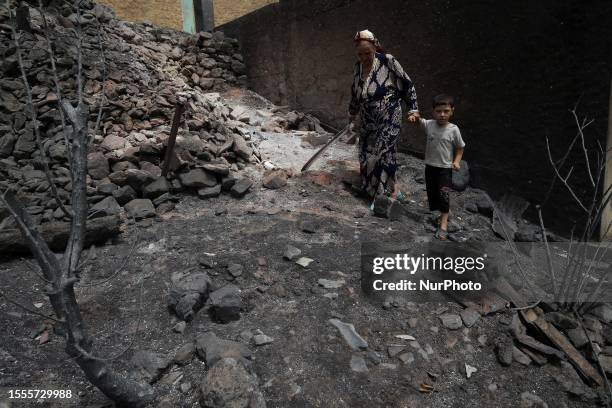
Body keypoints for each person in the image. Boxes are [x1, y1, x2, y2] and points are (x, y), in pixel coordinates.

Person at [348, 29, 420, 207]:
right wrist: (352, 113)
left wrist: (413, 109)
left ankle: (383, 195)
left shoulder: (387, 61)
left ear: (375, 47)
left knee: (383, 152)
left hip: (389, 113)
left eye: (368, 53)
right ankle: (370, 188)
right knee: (365, 152)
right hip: (367, 117)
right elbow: (355, 93)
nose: (364, 57)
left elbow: (407, 83)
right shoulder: (357, 67)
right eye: (360, 53)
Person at [416, 94, 465, 240]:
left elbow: (460, 147)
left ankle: (443, 223)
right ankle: (443, 213)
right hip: (430, 167)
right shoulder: (429, 124)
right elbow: (418, 119)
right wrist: (414, 116)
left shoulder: (453, 130)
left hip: (445, 169)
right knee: (433, 194)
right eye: (438, 111)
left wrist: (456, 161)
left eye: (446, 111)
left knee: (444, 195)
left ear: (452, 111)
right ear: (433, 112)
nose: (442, 114)